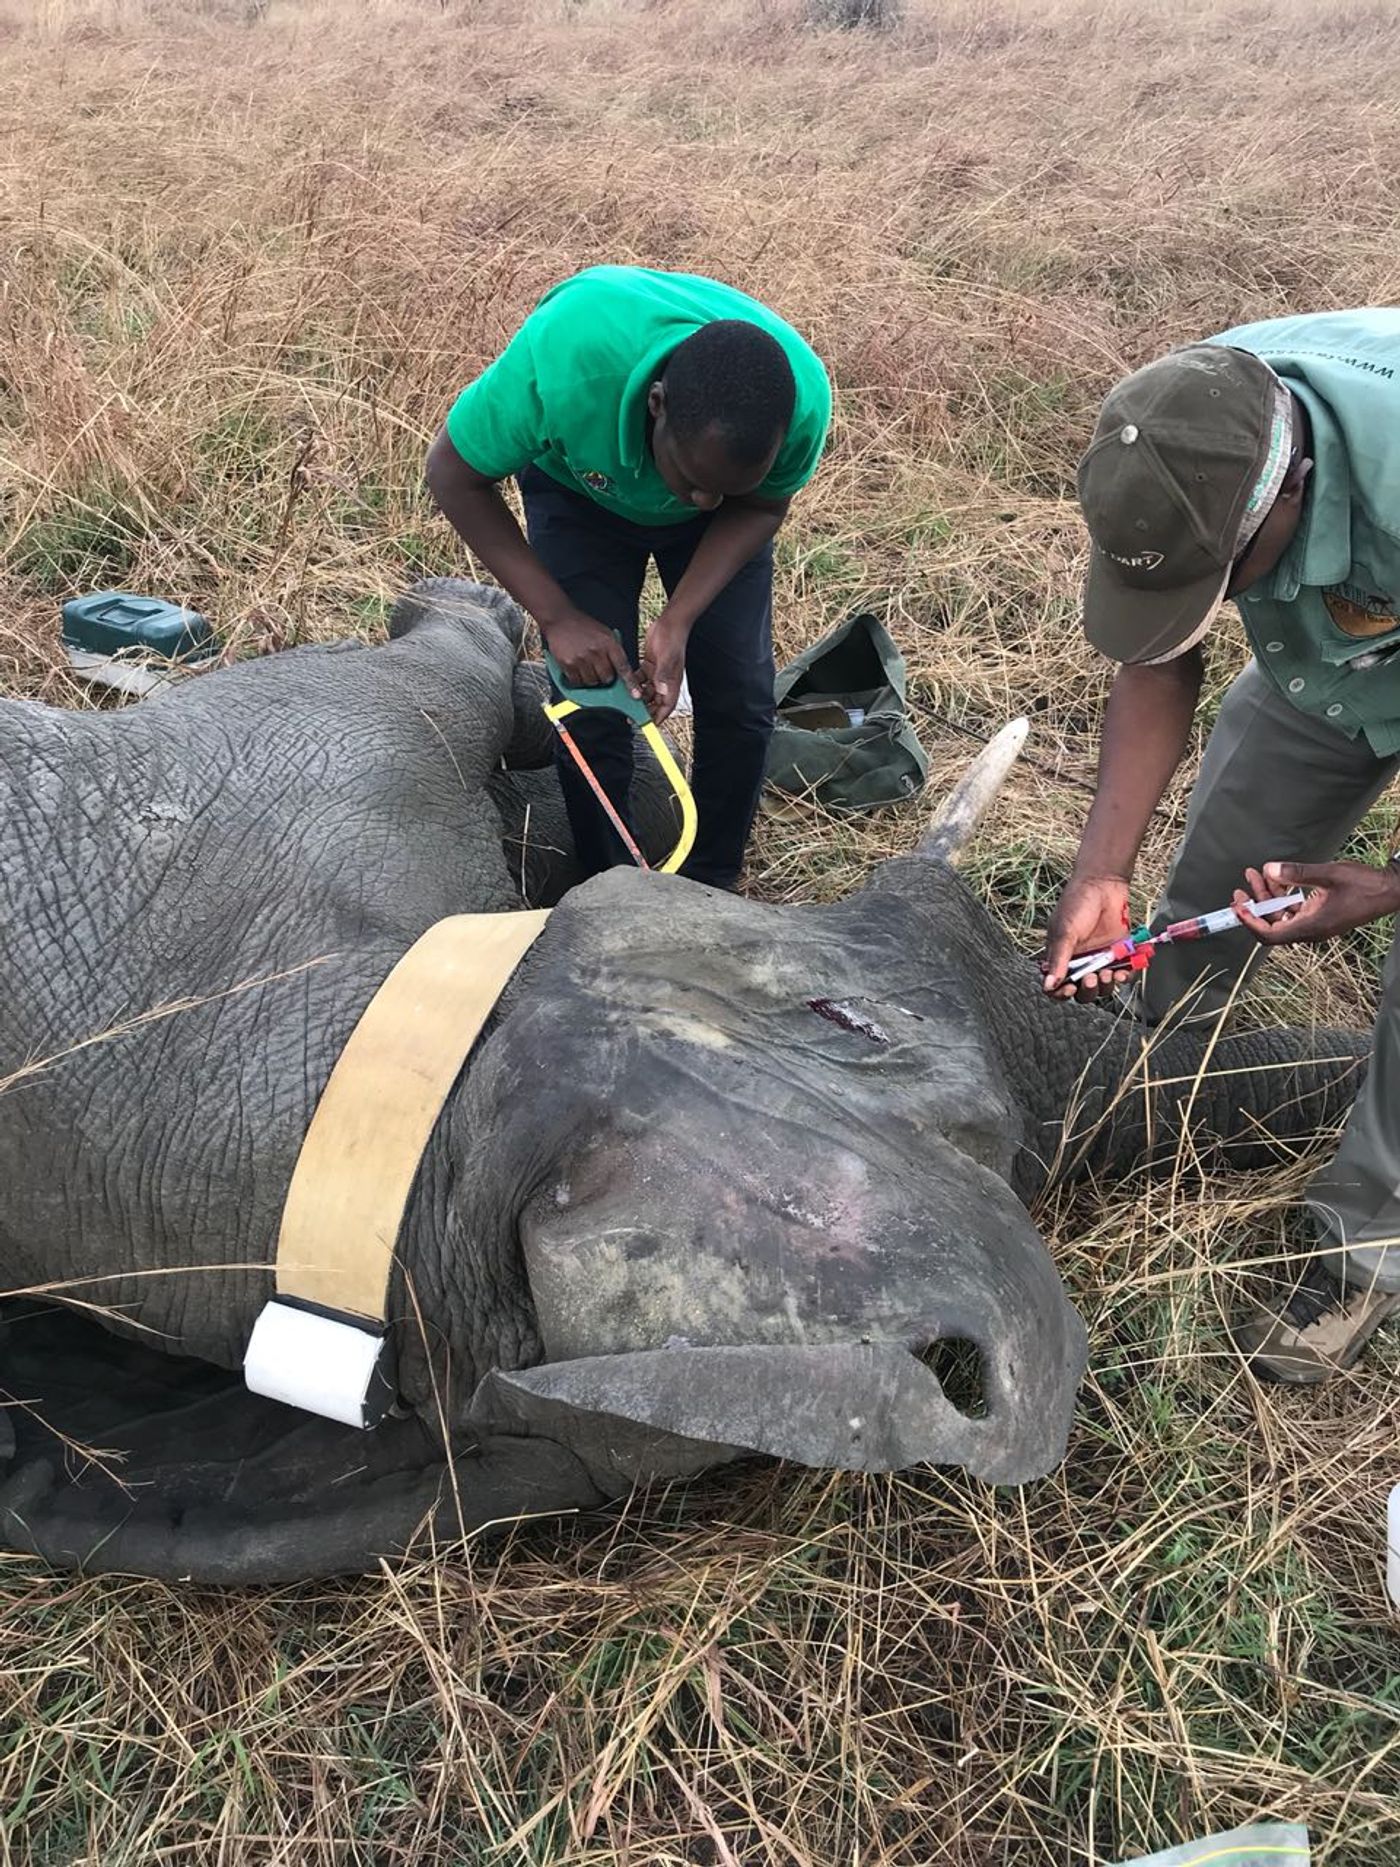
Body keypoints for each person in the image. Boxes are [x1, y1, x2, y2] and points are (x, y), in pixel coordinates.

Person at [1042, 308, 1400, 1385]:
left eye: (1219, 575)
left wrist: (1382, 888)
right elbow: (1158, 652)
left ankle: (1362, 1241)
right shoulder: (1190, 419)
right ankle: (1145, 1078)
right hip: (1336, 662)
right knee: (1221, 855)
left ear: (1286, 492)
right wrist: (1102, 870)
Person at [426, 264, 831, 891]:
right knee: (591, 696)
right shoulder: (570, 360)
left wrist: (680, 620)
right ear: (656, 404)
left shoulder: (801, 404)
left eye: (718, 487)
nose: (697, 502)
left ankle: (712, 883)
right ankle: (608, 886)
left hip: (735, 522)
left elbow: (759, 505)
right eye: (690, 479)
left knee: (742, 695)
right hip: (580, 492)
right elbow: (452, 473)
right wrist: (557, 617)